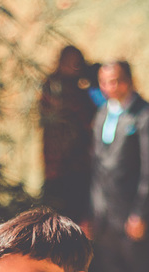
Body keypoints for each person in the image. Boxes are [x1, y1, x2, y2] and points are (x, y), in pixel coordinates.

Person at [89, 60, 149, 272]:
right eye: (103, 82)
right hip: (106, 213)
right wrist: (93, 211)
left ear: (128, 81)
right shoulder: (102, 113)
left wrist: (141, 212)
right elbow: (97, 167)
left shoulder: (147, 115)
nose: (109, 88)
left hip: (133, 210)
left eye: (114, 81)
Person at [40, 45, 98, 222]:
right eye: (74, 64)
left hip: (76, 167)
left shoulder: (78, 91)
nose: (77, 68)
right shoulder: (56, 89)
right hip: (63, 169)